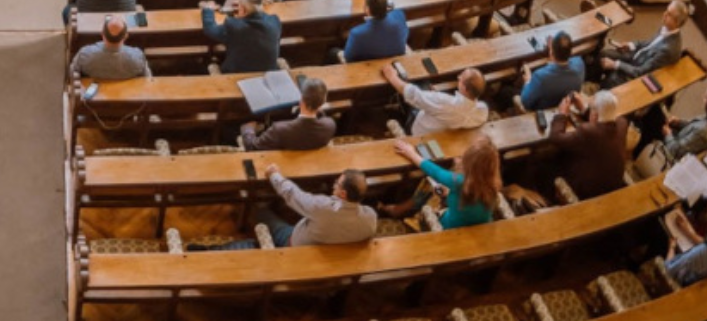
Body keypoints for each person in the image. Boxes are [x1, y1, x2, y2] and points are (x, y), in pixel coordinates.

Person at [196, 167, 375, 250]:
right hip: (328, 256)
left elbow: (292, 195)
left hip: (294, 247)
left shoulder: (324, 208)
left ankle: (207, 250)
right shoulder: (371, 218)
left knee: (260, 216)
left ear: (343, 194)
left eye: (337, 183)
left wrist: (274, 174)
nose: (334, 185)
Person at [389, 134, 501, 229]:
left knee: (428, 186)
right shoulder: (493, 182)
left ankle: (402, 213)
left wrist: (411, 153)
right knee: (435, 189)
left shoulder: (459, 181)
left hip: (450, 228)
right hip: (482, 228)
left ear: (469, 163)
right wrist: (449, 193)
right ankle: (398, 209)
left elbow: (435, 172)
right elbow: (471, 203)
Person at [545, 90, 629, 199]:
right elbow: (602, 121)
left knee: (549, 158)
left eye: (591, 108)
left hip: (588, 191)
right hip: (612, 186)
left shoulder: (587, 132)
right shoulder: (622, 123)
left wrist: (561, 114)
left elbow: (555, 138)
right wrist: (584, 109)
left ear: (595, 115)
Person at [599, 0, 688, 88]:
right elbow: (648, 43)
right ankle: (594, 80)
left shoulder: (668, 50)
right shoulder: (667, 27)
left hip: (639, 75)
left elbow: (641, 72)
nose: (664, 14)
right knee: (605, 54)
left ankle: (600, 89)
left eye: (669, 14)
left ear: (677, 22)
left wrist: (615, 64)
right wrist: (631, 45)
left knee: (612, 78)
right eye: (666, 10)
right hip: (636, 57)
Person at [383, 65, 489, 135]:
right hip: (439, 131)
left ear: (464, 88)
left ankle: (393, 113)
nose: (459, 77)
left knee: (417, 82)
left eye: (461, 77)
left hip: (417, 130)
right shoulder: (483, 111)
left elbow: (413, 95)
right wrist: (434, 96)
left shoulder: (445, 102)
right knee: (425, 88)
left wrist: (392, 76)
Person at [241, 78, 336, 151]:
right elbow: (322, 116)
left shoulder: (279, 129)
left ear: (301, 100)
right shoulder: (330, 125)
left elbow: (253, 147)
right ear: (322, 103)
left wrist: (248, 129)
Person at [200, 0, 281, 74]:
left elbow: (210, 30)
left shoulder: (233, 25)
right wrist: (247, 8)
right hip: (269, 71)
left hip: (237, 73)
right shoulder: (274, 21)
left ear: (243, 9)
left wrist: (208, 9)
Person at [69, 15, 150, 81]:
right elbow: (147, 80)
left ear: (102, 34)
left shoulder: (85, 54)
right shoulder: (138, 57)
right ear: (125, 36)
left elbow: (72, 74)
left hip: (95, 95)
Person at [662, 83, 707, 161]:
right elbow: (694, 127)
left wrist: (668, 135)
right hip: (685, 141)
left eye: (706, 97)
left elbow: (677, 151)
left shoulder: (703, 131)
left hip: (677, 152)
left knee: (655, 118)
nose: (703, 97)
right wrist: (679, 122)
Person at [519, 32, 585, 111]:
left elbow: (525, 102)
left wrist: (528, 81)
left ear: (552, 53)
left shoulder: (539, 77)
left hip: (543, 111)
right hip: (565, 105)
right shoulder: (580, 64)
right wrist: (554, 50)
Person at [342, 0, 409, 62]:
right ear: (386, 6)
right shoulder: (400, 15)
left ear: (368, 9)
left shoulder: (356, 34)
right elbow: (406, 33)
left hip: (368, 65)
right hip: (395, 60)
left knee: (334, 52)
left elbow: (348, 57)